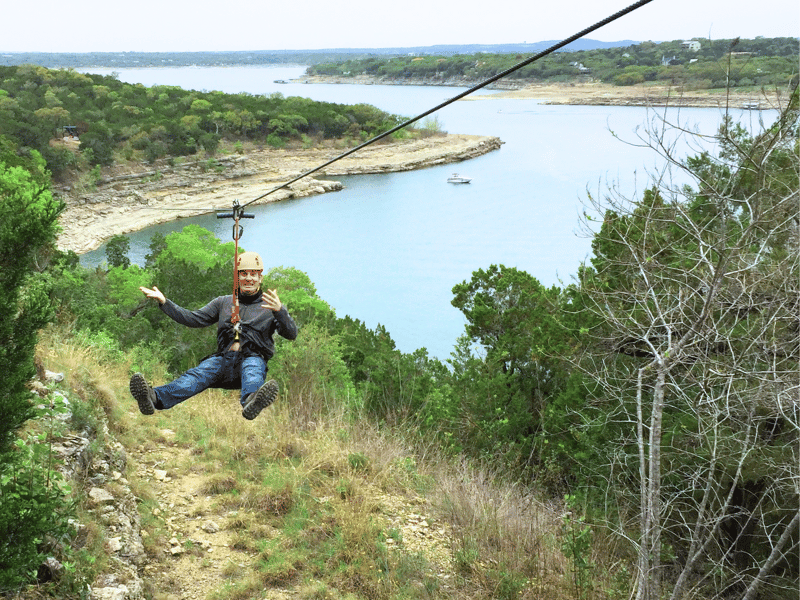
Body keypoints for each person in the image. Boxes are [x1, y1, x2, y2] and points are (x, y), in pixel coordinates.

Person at [129, 251, 297, 420]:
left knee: (252, 370)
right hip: (223, 360)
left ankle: (251, 401)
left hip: (251, 358)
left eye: (253, 274)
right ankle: (153, 397)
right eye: (244, 274)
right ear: (238, 278)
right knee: (195, 376)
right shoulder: (223, 302)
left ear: (260, 278)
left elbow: (291, 334)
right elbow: (192, 319)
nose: (248, 278)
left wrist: (280, 311)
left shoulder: (271, 307)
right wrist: (164, 302)